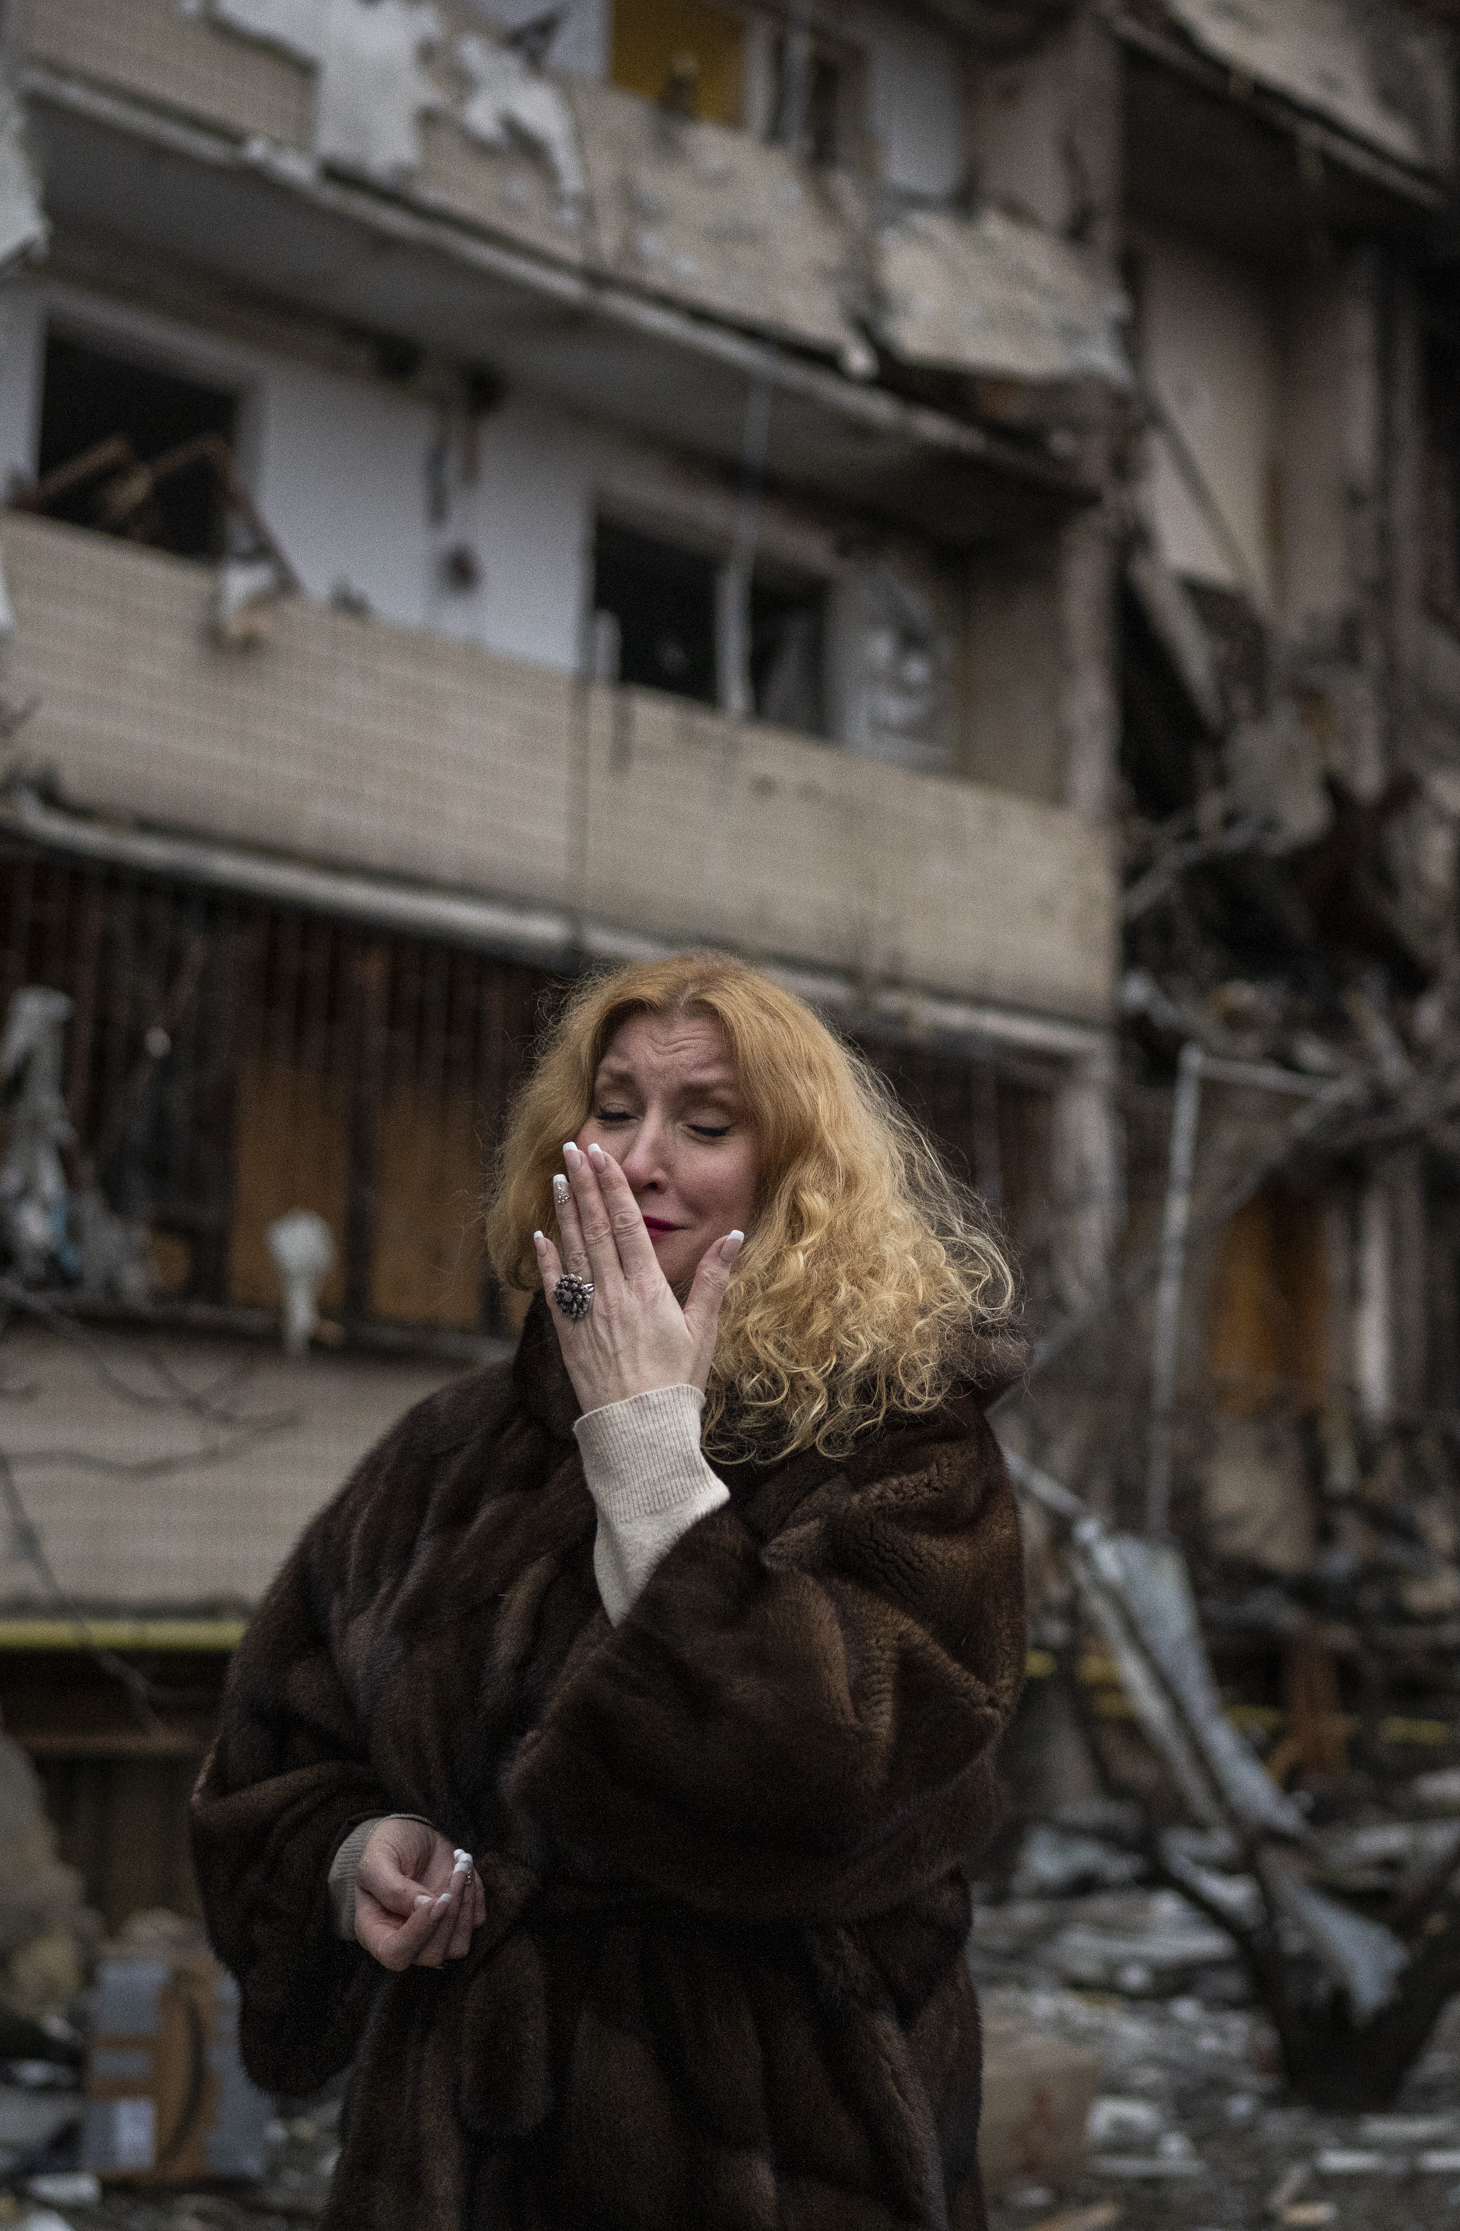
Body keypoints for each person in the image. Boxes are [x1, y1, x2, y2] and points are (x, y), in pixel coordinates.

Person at [191, 952, 1026, 2231]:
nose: (639, 1159)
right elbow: (269, 1762)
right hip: (456, 2163)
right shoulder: (452, 1451)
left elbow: (839, 1776)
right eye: (613, 1108)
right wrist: (357, 1856)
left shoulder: (905, 1444)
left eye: (704, 1123)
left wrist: (646, 1451)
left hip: (778, 2153)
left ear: (795, 1174)